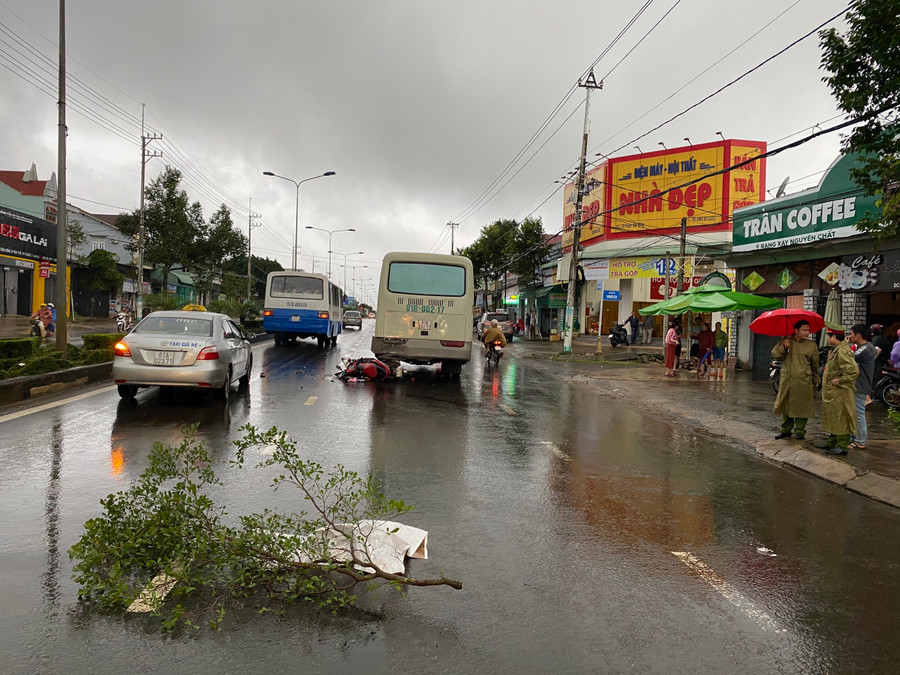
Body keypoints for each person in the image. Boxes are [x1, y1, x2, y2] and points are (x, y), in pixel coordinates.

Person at [772, 319, 820, 440]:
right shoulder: (787, 341)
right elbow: (776, 355)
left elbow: (815, 365)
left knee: (802, 406)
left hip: (803, 380)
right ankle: (786, 429)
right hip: (787, 379)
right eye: (804, 330)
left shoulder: (811, 346)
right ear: (796, 330)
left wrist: (816, 380)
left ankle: (800, 431)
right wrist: (784, 346)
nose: (807, 333)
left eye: (808, 330)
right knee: (786, 404)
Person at [820, 324, 859, 455]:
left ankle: (842, 445)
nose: (827, 338)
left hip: (840, 391)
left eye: (828, 336)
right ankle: (832, 442)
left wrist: (840, 380)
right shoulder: (836, 349)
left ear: (834, 336)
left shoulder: (842, 351)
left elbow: (853, 371)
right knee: (833, 416)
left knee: (841, 417)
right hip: (833, 392)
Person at [849, 324, 875, 450]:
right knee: (856, 412)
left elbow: (849, 358)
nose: (850, 336)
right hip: (860, 384)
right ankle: (855, 437)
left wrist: (843, 345)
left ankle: (860, 440)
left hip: (860, 384)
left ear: (858, 336)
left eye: (852, 334)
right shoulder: (868, 347)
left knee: (859, 413)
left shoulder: (864, 350)